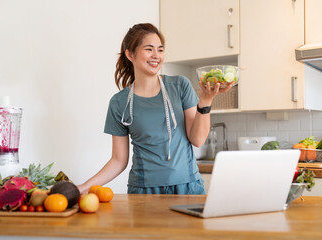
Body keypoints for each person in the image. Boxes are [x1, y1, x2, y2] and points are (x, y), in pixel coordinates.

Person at [77, 23, 232, 194]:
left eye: (160, 49)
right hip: (144, 192)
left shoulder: (180, 86)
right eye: (149, 49)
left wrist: (206, 100)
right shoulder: (119, 103)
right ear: (130, 54)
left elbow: (198, 140)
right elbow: (118, 160)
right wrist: (85, 187)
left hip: (188, 188)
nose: (156, 56)